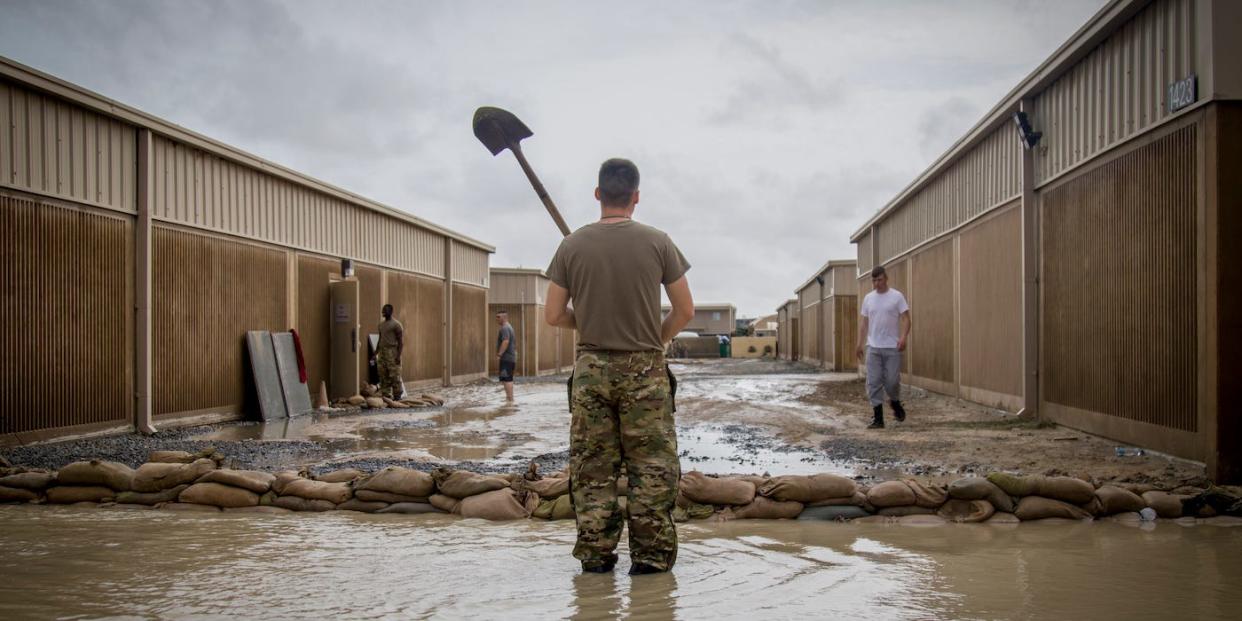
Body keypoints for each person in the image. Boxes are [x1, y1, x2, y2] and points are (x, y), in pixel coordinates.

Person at [545, 157, 695, 576]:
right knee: (651, 468)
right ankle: (650, 561)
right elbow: (685, 310)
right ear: (636, 197)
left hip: (592, 368)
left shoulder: (572, 245)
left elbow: (554, 315)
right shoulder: (658, 242)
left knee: (593, 469)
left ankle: (595, 560)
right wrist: (653, 338)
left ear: (598, 194)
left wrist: (589, 320)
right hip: (645, 368)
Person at [855, 265, 911, 429]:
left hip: (892, 347)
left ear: (886, 278)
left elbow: (906, 319)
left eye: (879, 280)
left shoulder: (896, 297)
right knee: (873, 381)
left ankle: (895, 402)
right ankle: (878, 418)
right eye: (873, 280)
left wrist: (903, 337)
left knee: (892, 382)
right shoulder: (868, 299)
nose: (876, 283)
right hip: (873, 347)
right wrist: (859, 343)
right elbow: (864, 323)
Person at [374, 304, 404, 400]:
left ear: (390, 312)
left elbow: (400, 342)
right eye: (382, 310)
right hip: (382, 353)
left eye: (385, 310)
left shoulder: (396, 325)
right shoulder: (381, 325)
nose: (383, 312)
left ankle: (397, 395)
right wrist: (375, 353)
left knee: (394, 375)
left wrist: (398, 356)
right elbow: (380, 339)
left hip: (392, 352)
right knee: (383, 374)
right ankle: (386, 395)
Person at [495, 310, 517, 403]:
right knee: (507, 378)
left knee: (507, 379)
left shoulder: (505, 328)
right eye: (496, 317)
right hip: (510, 358)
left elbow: (506, 341)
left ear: (504, 317)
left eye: (498, 317)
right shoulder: (509, 327)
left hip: (507, 358)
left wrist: (500, 354)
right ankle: (509, 398)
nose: (497, 319)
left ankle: (510, 399)